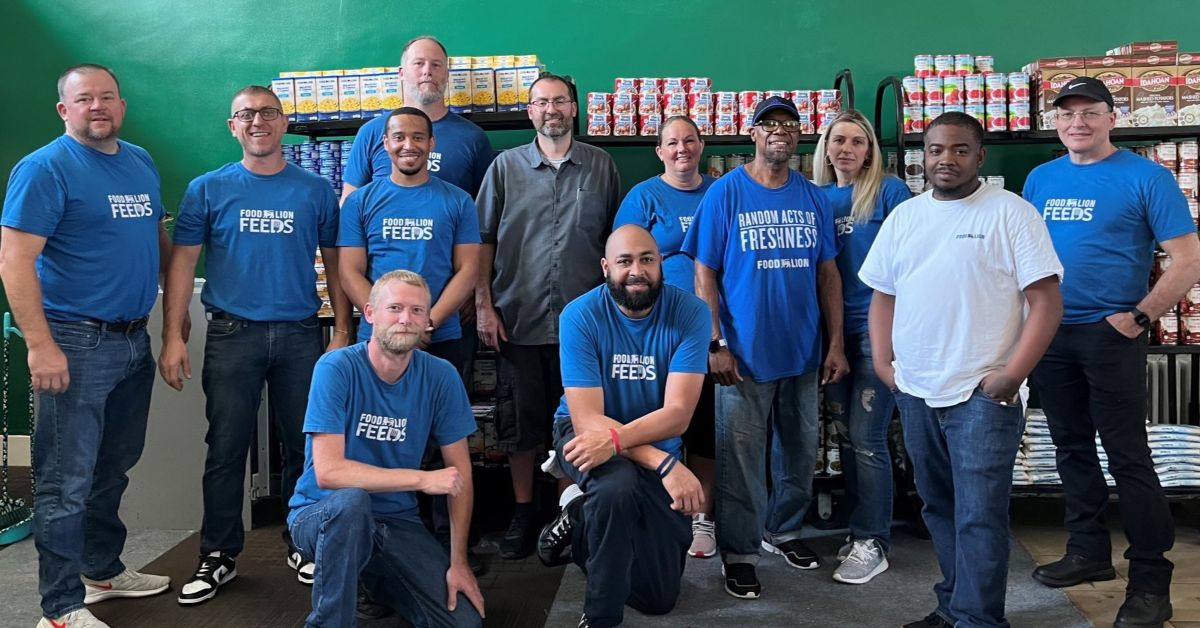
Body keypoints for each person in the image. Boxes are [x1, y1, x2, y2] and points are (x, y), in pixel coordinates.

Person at [859, 112, 1064, 628]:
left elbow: (1046, 303)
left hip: (982, 392)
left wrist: (1011, 375)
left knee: (979, 515)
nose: (944, 159)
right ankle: (954, 608)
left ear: (979, 156)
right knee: (939, 509)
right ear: (921, 156)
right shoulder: (906, 217)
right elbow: (882, 295)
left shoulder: (1010, 213)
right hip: (916, 388)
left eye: (958, 150)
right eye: (934, 150)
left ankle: (979, 619)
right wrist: (884, 362)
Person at [0, 64, 173, 628]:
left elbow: (156, 235)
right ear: (64, 110)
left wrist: (173, 317)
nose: (97, 106)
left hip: (131, 338)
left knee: (113, 467)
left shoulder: (140, 161)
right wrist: (40, 345)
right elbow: (15, 261)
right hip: (73, 341)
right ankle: (60, 607)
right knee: (63, 482)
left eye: (107, 97)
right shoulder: (45, 169)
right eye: (84, 99)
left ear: (121, 105)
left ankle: (101, 570)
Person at [1023, 77, 1200, 628]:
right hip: (1050, 334)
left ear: (1110, 117)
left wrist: (1141, 316)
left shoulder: (1148, 177)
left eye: (1090, 112)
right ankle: (1088, 553)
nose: (1078, 122)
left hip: (1111, 335)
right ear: (1056, 122)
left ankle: (1150, 581)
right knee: (1070, 446)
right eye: (1068, 113)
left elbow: (1188, 259)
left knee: (1127, 457)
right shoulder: (1040, 178)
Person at [158, 85, 343, 605]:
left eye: (267, 113)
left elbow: (335, 262)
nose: (258, 121)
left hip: (301, 334)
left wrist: (344, 332)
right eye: (246, 114)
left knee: (306, 446)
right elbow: (183, 263)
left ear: (284, 123)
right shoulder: (207, 188)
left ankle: (303, 540)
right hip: (232, 333)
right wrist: (173, 335)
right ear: (232, 127)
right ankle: (217, 555)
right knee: (226, 447)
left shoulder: (315, 190)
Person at [681, 95, 848, 600]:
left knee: (799, 453)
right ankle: (741, 554)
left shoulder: (813, 196)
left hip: (803, 352)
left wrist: (835, 343)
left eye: (789, 124)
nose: (780, 131)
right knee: (741, 462)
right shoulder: (725, 193)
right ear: (753, 133)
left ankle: (785, 531)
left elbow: (828, 273)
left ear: (799, 137)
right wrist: (715, 342)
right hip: (743, 357)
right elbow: (703, 271)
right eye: (769, 123)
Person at [475, 73, 622, 559]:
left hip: (586, 327)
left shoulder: (601, 166)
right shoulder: (504, 167)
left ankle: (573, 509)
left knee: (585, 424)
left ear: (574, 108)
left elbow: (615, 244)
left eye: (559, 101)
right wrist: (483, 305)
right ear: (530, 111)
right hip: (518, 318)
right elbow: (483, 241)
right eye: (541, 102)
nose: (551, 109)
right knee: (521, 424)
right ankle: (523, 512)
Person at [287, 270, 484, 628]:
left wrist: (458, 562)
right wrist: (421, 479)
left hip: (395, 520)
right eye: (394, 308)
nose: (406, 319)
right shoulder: (336, 368)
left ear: (428, 322)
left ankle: (373, 580)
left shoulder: (440, 376)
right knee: (352, 502)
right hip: (321, 513)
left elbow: (460, 476)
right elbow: (329, 473)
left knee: (464, 622)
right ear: (371, 313)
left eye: (417, 311)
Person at [536, 225, 708, 628]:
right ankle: (600, 617)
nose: (637, 270)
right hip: (580, 433)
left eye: (647, 259)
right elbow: (587, 420)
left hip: (651, 440)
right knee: (616, 487)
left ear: (660, 263)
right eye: (624, 261)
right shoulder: (580, 315)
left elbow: (679, 413)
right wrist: (665, 466)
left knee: (658, 598)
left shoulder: (691, 313)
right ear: (605, 267)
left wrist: (644, 452)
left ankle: (580, 518)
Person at [611, 115, 718, 558]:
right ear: (659, 151)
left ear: (702, 144)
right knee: (659, 416)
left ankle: (703, 517)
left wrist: (719, 335)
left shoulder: (720, 191)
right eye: (672, 142)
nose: (681, 149)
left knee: (707, 424)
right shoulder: (643, 196)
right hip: (653, 327)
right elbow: (620, 255)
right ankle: (657, 505)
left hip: (708, 326)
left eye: (689, 141)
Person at [812, 109, 911, 585]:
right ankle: (860, 531)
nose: (846, 149)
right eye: (838, 140)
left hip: (878, 332)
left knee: (869, 437)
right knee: (849, 437)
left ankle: (874, 540)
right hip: (831, 334)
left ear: (869, 149)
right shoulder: (814, 196)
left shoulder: (889, 192)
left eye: (857, 141)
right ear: (826, 148)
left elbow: (915, 260)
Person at [339, 106, 480, 378]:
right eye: (399, 137)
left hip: (440, 337)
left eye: (417, 137)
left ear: (431, 143)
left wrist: (426, 322)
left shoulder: (459, 200)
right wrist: (391, 323)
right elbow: (349, 272)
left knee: (441, 419)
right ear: (386, 143)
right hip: (378, 338)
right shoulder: (358, 202)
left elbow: (468, 269)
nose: (408, 145)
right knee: (379, 419)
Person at [341, 35, 493, 201]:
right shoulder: (371, 132)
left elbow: (484, 212)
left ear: (447, 75)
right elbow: (349, 202)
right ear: (402, 73)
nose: (427, 71)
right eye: (419, 63)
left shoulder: (473, 138)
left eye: (436, 65)